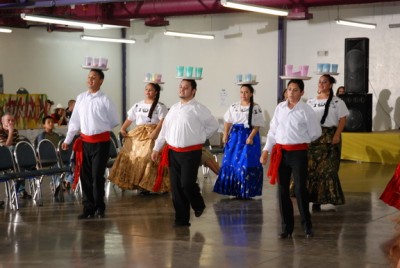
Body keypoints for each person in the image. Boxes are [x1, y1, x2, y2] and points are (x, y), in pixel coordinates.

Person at [151, 79, 219, 227]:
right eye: (180, 87)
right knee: (176, 188)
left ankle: (198, 204)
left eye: (186, 87)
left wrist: (200, 136)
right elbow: (164, 131)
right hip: (172, 152)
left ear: (193, 90)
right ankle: (181, 219)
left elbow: (214, 126)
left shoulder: (199, 109)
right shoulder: (174, 108)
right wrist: (157, 148)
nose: (182, 89)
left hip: (191, 152)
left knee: (187, 183)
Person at [260, 79, 321, 239]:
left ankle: (307, 226)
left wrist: (300, 139)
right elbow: (273, 131)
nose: (291, 93)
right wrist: (266, 150)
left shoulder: (306, 110)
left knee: (300, 189)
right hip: (281, 153)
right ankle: (286, 227)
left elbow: (315, 132)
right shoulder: (280, 108)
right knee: (282, 190)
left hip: (298, 153)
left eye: (295, 90)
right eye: (289, 89)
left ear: (302, 92)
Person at [62, 69, 119, 219]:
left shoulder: (105, 100)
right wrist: (68, 140)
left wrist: (98, 128)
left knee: (97, 175)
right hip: (85, 142)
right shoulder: (81, 98)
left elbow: (114, 121)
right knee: (85, 175)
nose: (90, 79)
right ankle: (88, 207)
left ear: (101, 81)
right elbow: (74, 122)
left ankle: (100, 206)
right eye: (89, 77)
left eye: (94, 77)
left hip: (101, 143)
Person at [108, 82, 170, 193]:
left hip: (152, 134)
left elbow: (163, 120)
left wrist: (156, 132)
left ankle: (152, 185)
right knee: (132, 155)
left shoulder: (160, 106)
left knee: (149, 157)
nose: (147, 91)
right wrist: (123, 128)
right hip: (139, 133)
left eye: (150, 90)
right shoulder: (138, 105)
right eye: (146, 89)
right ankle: (138, 185)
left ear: (156, 92)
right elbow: (130, 118)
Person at [213, 84, 265, 199]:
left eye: (246, 92)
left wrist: (251, 137)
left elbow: (257, 126)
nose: (243, 95)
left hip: (248, 137)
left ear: (251, 94)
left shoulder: (255, 107)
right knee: (232, 162)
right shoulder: (234, 106)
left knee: (246, 163)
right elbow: (228, 121)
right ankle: (234, 189)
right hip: (235, 137)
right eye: (241, 92)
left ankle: (246, 190)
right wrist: (225, 134)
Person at [307, 75, 349, 212]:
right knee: (313, 169)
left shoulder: (337, 102)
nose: (321, 84)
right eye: (319, 81)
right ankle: (315, 199)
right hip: (313, 137)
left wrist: (337, 134)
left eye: (324, 82)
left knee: (328, 169)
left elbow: (342, 119)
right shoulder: (311, 102)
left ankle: (329, 197)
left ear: (330, 85)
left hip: (330, 137)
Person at [0, 113, 31, 199]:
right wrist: (10, 132)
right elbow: (5, 147)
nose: (11, 122)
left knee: (21, 167)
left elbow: (18, 146)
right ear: (2, 122)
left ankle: (20, 191)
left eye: (12, 120)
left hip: (15, 159)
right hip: (3, 158)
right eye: (8, 120)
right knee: (12, 148)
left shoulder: (15, 131)